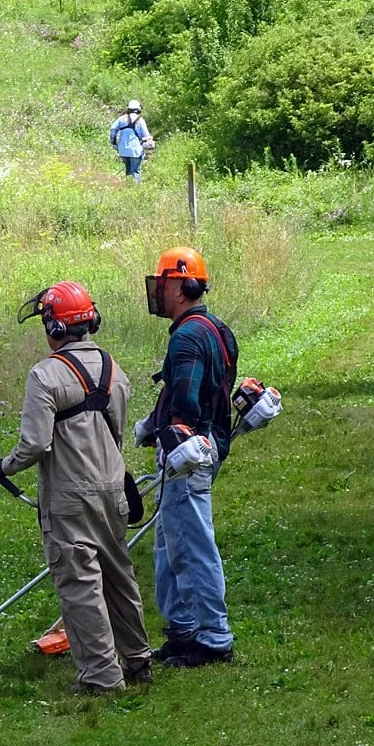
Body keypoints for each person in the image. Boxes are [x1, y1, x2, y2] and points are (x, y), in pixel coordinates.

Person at [0, 281, 153, 694]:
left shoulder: (45, 375)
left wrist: (1, 466)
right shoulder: (114, 369)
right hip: (113, 488)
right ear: (90, 321)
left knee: (81, 586)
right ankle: (137, 660)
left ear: (54, 328)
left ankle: (102, 678)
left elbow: (36, 444)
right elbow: (114, 432)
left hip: (69, 497)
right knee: (118, 576)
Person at [134, 247, 238, 668]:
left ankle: (213, 637)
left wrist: (171, 428)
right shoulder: (216, 328)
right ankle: (183, 629)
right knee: (168, 545)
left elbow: (187, 400)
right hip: (198, 449)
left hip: (187, 455)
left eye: (161, 283)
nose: (158, 291)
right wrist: (150, 423)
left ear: (179, 285)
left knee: (192, 546)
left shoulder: (187, 337)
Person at [109, 99, 155, 183]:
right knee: (136, 171)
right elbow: (146, 136)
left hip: (123, 150)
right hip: (135, 151)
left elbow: (113, 129)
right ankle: (135, 189)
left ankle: (128, 187)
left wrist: (114, 142)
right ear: (138, 109)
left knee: (128, 170)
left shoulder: (121, 119)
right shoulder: (140, 121)